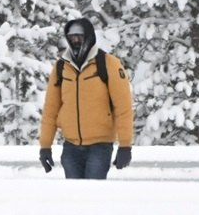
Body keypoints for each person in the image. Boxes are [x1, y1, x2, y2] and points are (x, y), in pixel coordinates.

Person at [38, 17, 135, 180]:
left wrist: (125, 145)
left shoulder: (109, 64)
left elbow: (123, 107)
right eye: (72, 36)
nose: (75, 40)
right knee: (74, 199)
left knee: (93, 198)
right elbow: (51, 109)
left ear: (89, 37)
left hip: (100, 147)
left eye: (80, 36)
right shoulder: (62, 67)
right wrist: (45, 146)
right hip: (71, 148)